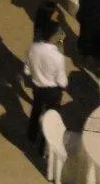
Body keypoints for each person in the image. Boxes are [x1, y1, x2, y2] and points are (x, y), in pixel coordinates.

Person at [24, 14, 69, 151]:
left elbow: (27, 70)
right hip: (52, 91)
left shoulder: (32, 48)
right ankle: (43, 146)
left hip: (37, 87)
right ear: (53, 36)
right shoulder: (57, 56)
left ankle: (31, 136)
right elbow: (62, 81)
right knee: (50, 117)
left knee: (36, 110)